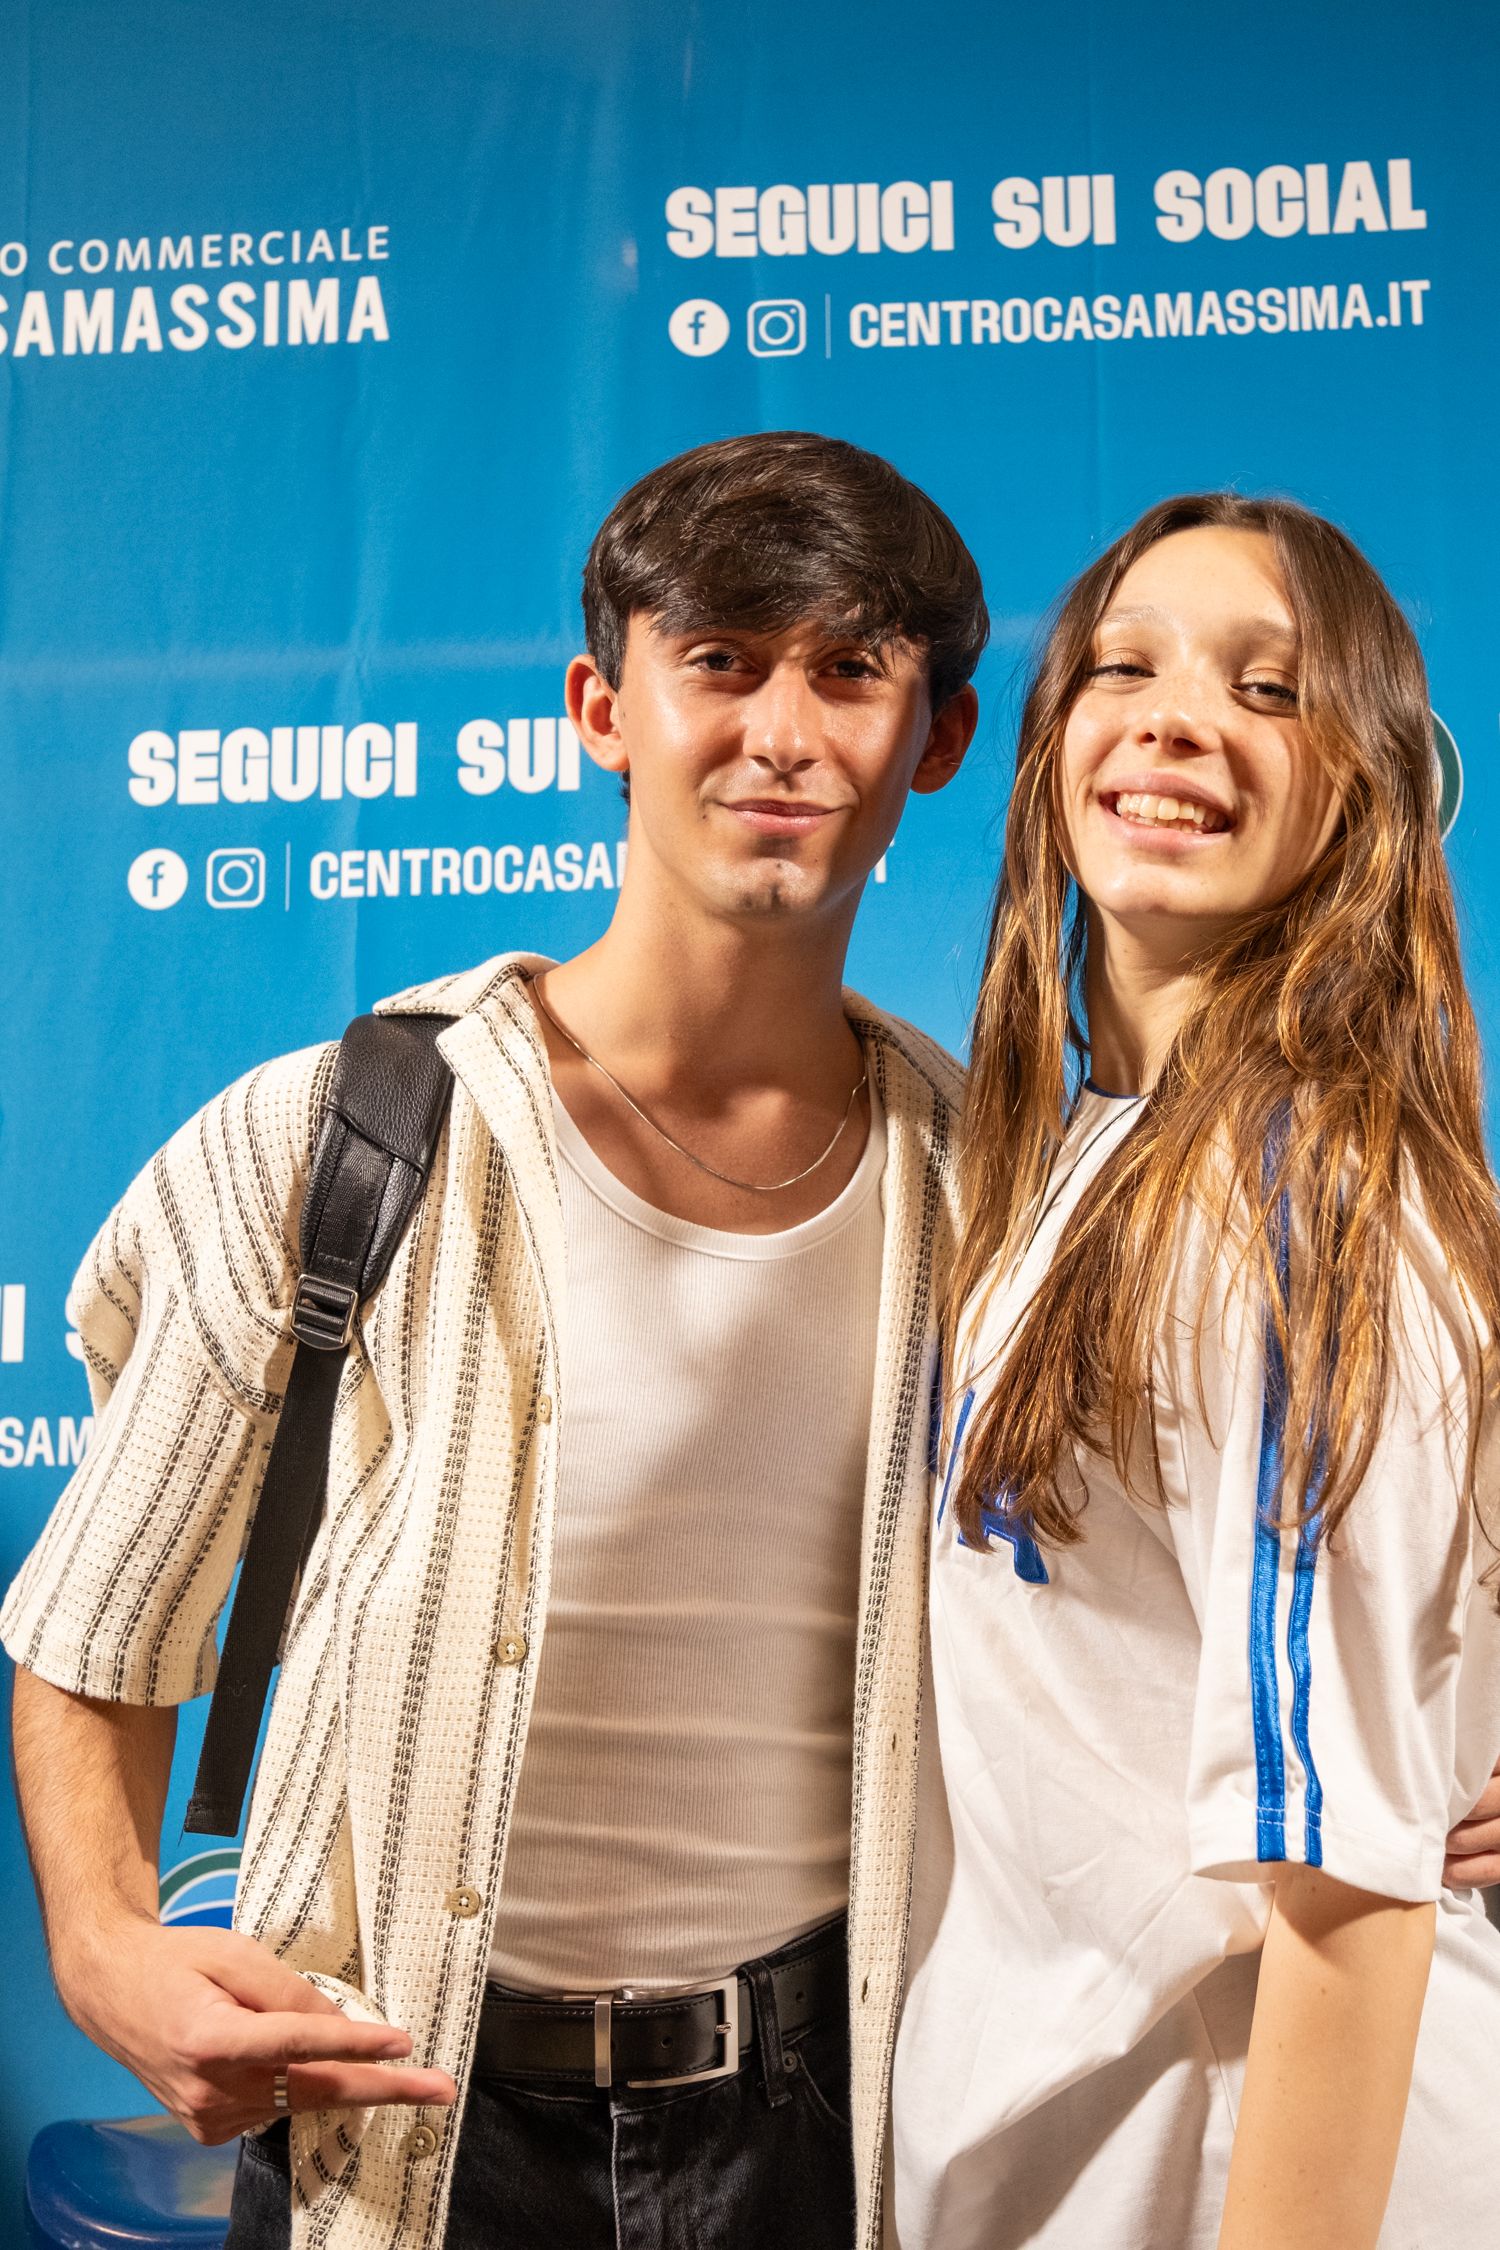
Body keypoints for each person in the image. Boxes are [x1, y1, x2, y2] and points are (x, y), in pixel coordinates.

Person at [3, 431, 985, 2250]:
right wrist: (103, 1945)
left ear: (935, 741)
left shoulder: (995, 1189)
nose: (781, 732)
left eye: (850, 671)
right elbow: (95, 1631)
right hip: (400, 2123)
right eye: (721, 660)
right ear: (603, 709)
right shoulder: (334, 1136)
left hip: (833, 2119)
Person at [891, 492, 1500, 2249]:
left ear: (1366, 789)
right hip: (1064, 2157)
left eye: (1269, 688)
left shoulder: (1302, 1204)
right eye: (1125, 668)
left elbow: (1347, 1886)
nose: (1176, 720)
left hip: (1252, 2171)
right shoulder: (1075, 1151)